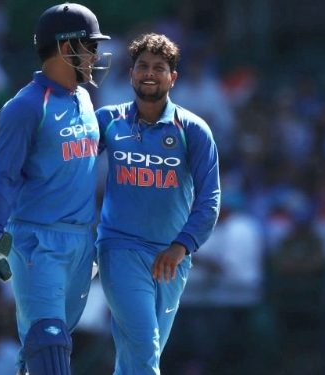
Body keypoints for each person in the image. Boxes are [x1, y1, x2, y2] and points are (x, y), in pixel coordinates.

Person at [0, 3, 111, 375]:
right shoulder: (25, 107)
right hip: (39, 243)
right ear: (67, 49)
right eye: (91, 46)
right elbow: (3, 176)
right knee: (48, 341)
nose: (96, 56)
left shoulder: (84, 98)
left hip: (82, 243)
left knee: (44, 353)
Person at [95, 33, 221, 375]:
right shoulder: (108, 120)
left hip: (171, 259)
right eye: (142, 66)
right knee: (144, 347)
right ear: (131, 73)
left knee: (136, 357)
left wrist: (181, 247)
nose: (149, 73)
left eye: (159, 67)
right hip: (119, 248)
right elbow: (69, 167)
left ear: (173, 77)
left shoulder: (193, 130)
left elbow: (209, 200)